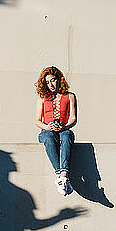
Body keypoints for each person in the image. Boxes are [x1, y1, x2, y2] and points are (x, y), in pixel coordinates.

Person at [35, 66, 77, 196]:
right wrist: (48, 127)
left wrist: (64, 127)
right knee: (48, 136)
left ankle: (63, 176)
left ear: (59, 80)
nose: (50, 85)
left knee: (67, 135)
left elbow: (73, 118)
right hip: (47, 130)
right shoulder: (42, 98)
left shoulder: (70, 96)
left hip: (63, 129)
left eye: (52, 80)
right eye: (47, 82)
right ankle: (60, 175)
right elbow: (37, 121)